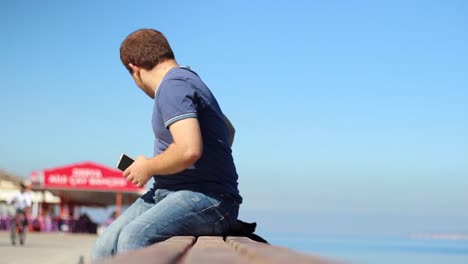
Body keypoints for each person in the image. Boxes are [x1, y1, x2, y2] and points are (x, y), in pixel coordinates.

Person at [92, 29, 242, 260]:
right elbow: (227, 131)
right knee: (105, 245)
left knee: (134, 238)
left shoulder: (173, 86)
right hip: (169, 191)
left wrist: (149, 167)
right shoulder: (187, 81)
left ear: (134, 69)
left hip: (208, 197)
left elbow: (189, 149)